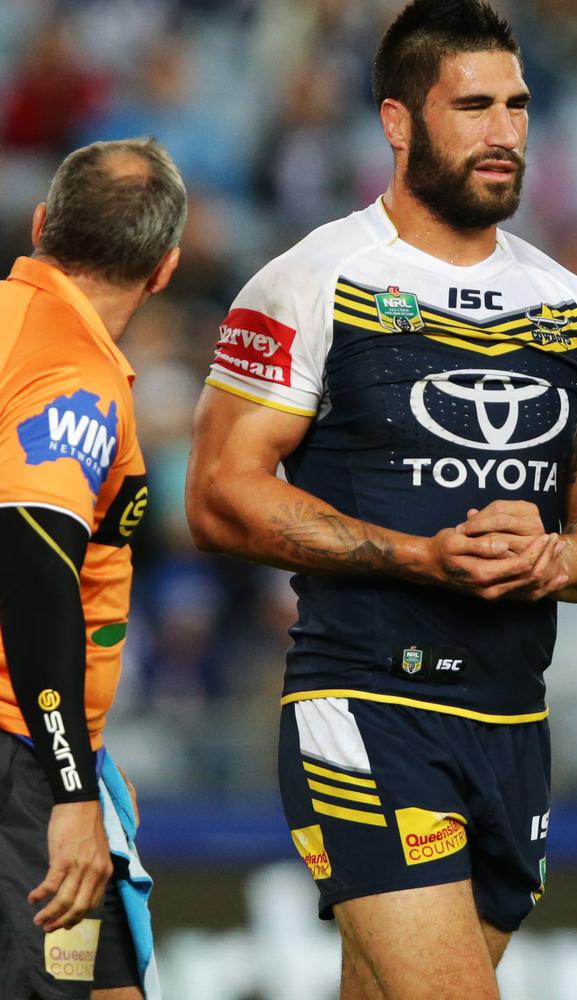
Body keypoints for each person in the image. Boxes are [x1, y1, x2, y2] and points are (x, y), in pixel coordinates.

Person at [185, 1, 577, 997]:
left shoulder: (570, 305)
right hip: (366, 702)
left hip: (511, 720)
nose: (503, 132)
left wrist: (555, 557)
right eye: (472, 105)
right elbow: (219, 497)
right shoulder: (310, 279)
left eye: (517, 106)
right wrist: (416, 556)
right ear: (398, 123)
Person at [0, 138, 186, 1000]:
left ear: (42, 226)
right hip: (21, 759)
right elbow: (33, 563)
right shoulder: (72, 374)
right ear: (166, 269)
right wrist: (69, 782)